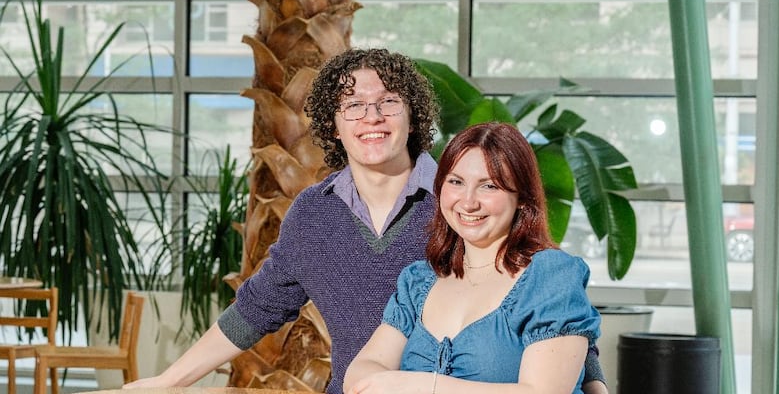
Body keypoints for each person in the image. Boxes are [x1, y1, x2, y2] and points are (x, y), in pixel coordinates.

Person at [123, 49, 607, 394]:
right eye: (352, 104)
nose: (371, 116)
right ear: (333, 124)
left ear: (412, 116)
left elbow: (543, 297)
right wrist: (169, 380)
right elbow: (257, 307)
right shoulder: (312, 216)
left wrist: (593, 379)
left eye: (388, 102)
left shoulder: (462, 200)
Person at [344, 122, 602, 394]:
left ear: (523, 198)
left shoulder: (550, 276)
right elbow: (362, 372)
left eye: (489, 186)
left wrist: (422, 385)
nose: (468, 202)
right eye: (456, 182)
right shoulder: (419, 281)